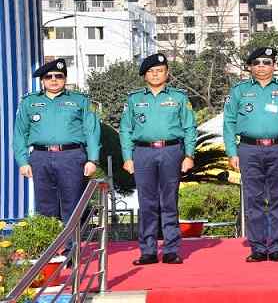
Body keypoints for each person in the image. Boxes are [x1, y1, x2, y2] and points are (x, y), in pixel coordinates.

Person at [223, 47, 278, 262]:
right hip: (248, 149)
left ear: (274, 65)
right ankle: (258, 248)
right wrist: (231, 151)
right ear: (250, 67)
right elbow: (229, 122)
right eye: (257, 63)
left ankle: (277, 247)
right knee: (253, 199)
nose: (262, 66)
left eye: (267, 62)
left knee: (277, 199)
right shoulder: (239, 90)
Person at [120, 53, 196, 265]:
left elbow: (190, 127)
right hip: (142, 153)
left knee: (169, 202)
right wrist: (127, 157)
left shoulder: (179, 98)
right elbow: (125, 130)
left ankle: (171, 250)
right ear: (145, 75)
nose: (155, 74)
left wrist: (189, 155)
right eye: (151, 71)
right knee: (147, 203)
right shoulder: (134, 99)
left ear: (167, 73)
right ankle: (148, 251)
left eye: (160, 71)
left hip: (171, 151)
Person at [14, 58, 101, 225]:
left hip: (71, 156)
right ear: (42, 80)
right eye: (49, 76)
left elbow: (92, 131)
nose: (53, 80)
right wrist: (23, 161)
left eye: (59, 76)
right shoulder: (29, 102)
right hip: (40, 157)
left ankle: (71, 249)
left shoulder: (81, 100)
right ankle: (49, 248)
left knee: (72, 204)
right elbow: (20, 133)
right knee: (44, 206)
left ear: (65, 79)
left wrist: (92, 159)